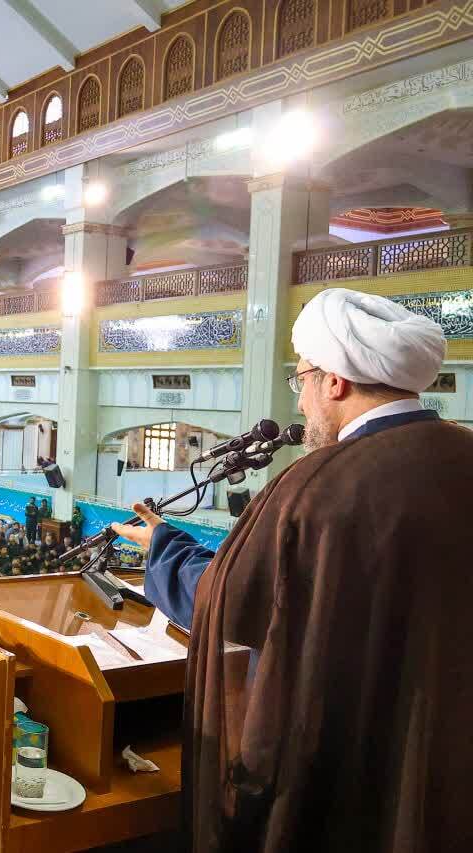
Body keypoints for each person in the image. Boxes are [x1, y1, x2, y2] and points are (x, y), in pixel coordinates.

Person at [110, 287, 472, 853]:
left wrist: (164, 546)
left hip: (340, 759)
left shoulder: (318, 486)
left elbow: (228, 600)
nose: (300, 403)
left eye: (301, 379)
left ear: (335, 383)